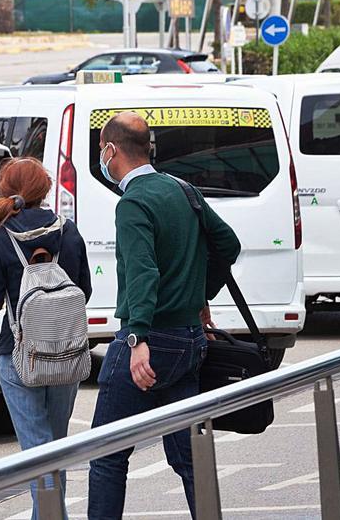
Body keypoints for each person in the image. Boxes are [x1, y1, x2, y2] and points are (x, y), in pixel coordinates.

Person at [87, 112, 241, 518]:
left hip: (151, 338)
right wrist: (200, 295)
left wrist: (136, 338)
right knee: (188, 457)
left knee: (106, 453)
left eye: (101, 151)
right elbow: (228, 245)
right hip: (190, 339)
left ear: (110, 150)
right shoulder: (183, 190)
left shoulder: (134, 202)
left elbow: (143, 271)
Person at [0, 157, 92, 518]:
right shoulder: (67, 230)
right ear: (45, 189)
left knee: (38, 452)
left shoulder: (1, 235)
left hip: (17, 355)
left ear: (6, 189)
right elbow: (83, 290)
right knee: (53, 449)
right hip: (67, 352)